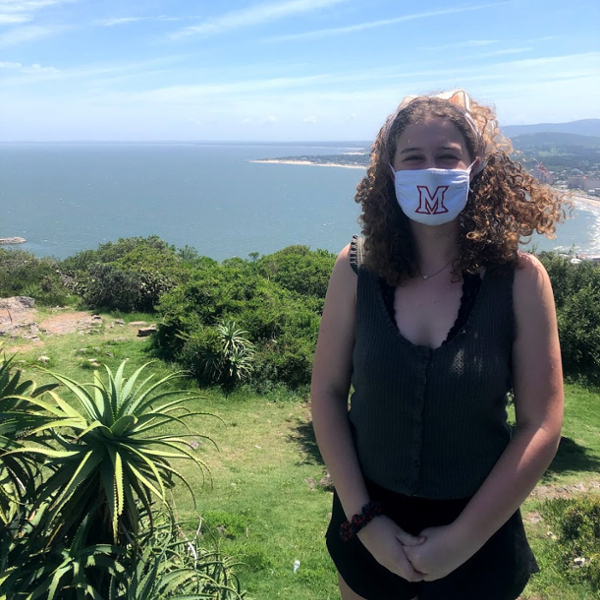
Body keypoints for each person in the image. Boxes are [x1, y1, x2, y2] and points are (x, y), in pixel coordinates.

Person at [310, 89, 565, 600]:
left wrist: (463, 540)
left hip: (481, 539)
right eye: (414, 158)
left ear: (475, 167)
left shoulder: (519, 279)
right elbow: (327, 396)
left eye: (447, 156)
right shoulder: (355, 268)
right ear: (390, 171)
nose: (432, 171)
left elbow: (542, 423)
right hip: (366, 529)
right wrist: (365, 523)